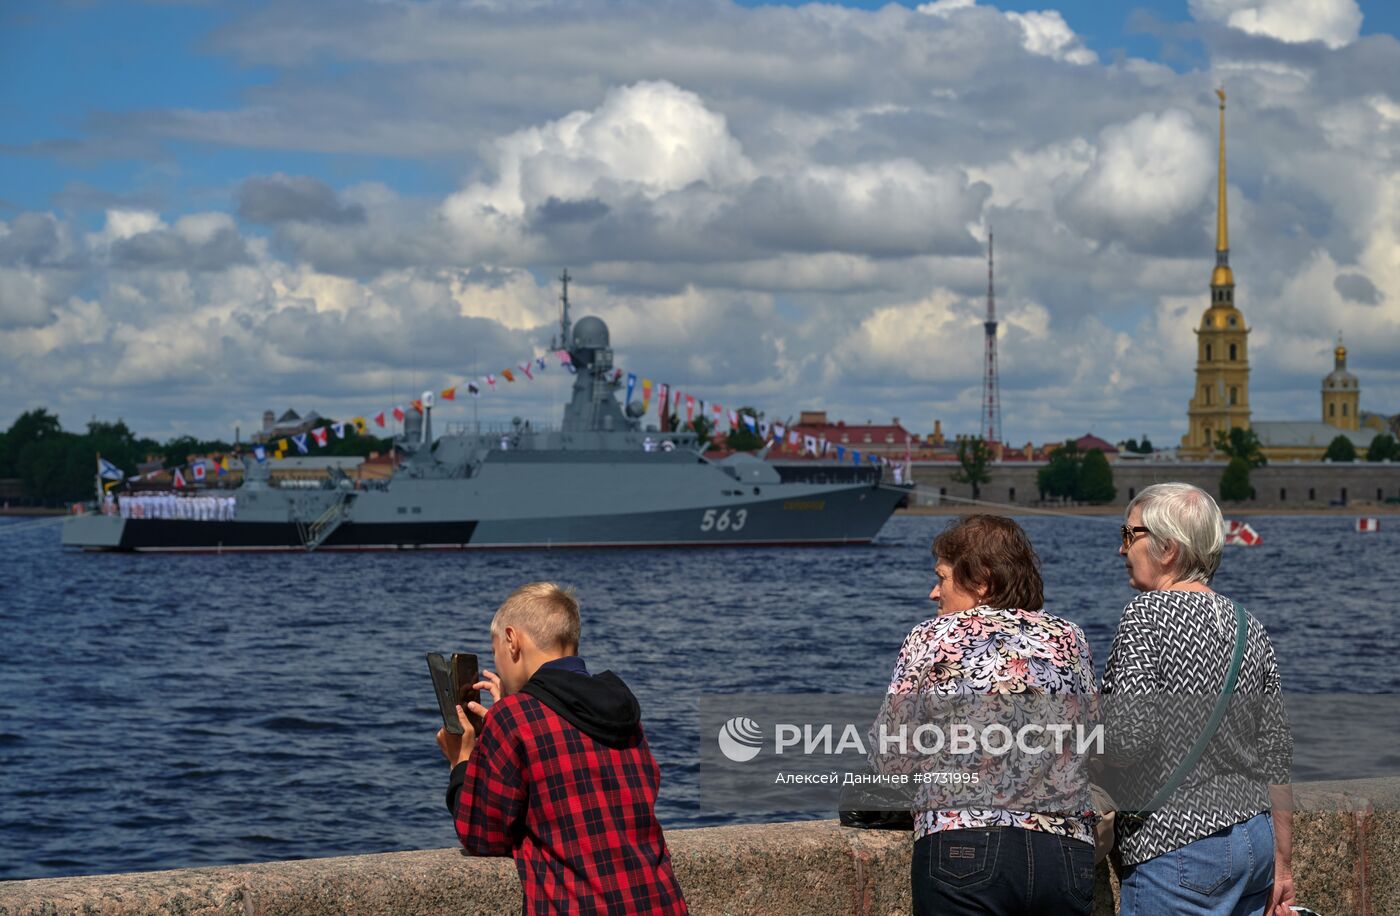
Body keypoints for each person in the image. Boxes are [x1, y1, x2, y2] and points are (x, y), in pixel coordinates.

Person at [874, 515, 1098, 915]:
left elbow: (891, 757)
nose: (933, 593)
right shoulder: (1070, 637)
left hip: (964, 845)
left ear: (981, 581)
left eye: (941, 578)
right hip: (1064, 855)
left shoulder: (930, 636)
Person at [435, 582, 687, 915]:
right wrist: (511, 711)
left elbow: (481, 834)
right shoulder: (621, 707)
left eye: (495, 651)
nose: (498, 666)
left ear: (512, 640)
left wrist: (462, 761)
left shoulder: (513, 718)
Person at [1103, 482, 1293, 916]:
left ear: (1167, 548)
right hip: (1255, 842)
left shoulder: (1145, 614)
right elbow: (1276, 754)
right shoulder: (1250, 625)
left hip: (1178, 847)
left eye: (1130, 535)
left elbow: (1127, 740)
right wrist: (1283, 862)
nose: (1122, 549)